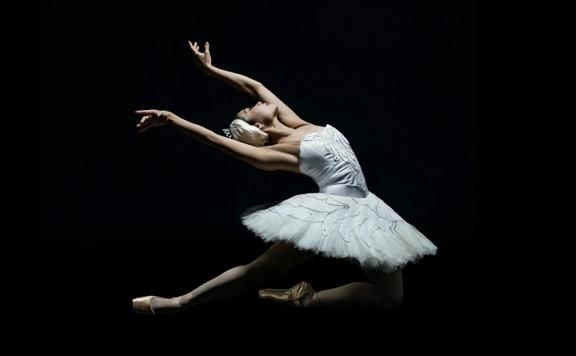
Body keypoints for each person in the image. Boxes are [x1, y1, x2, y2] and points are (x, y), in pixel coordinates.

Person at [132, 41, 437, 314]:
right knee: (260, 270)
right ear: (259, 130)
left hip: (367, 207)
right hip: (332, 213)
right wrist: (171, 118)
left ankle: (307, 299)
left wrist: (212, 70)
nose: (257, 101)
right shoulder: (278, 153)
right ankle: (177, 302)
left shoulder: (298, 124)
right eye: (251, 110)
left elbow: (255, 86)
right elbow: (214, 139)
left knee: (389, 298)